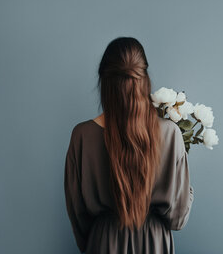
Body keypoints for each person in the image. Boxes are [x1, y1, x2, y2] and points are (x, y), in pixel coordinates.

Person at [64, 36, 194, 253]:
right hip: (155, 244)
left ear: (103, 81)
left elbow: (78, 217)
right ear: (144, 79)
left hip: (104, 243)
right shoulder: (171, 134)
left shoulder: (82, 136)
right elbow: (178, 219)